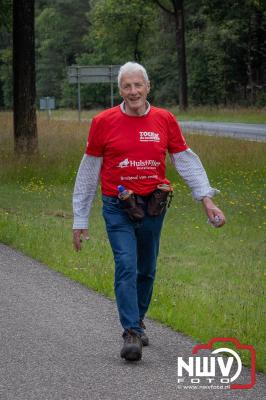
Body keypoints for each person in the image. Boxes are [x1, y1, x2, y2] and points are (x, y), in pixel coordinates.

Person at [72, 61, 225, 362]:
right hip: (118, 206)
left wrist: (206, 199)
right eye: (127, 86)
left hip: (154, 205)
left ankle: (138, 319)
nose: (133, 91)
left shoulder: (164, 120)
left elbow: (185, 160)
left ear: (148, 87)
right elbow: (88, 172)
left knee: (146, 269)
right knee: (126, 264)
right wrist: (80, 219)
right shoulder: (103, 122)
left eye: (137, 85)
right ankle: (130, 332)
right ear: (120, 90)